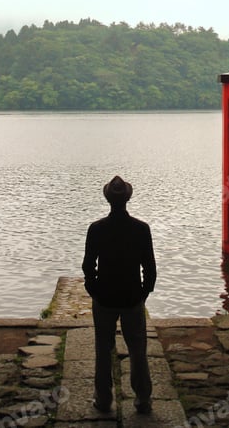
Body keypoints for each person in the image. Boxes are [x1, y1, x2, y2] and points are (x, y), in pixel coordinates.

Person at [82, 175, 157, 414]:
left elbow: (88, 265)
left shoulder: (96, 229)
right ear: (127, 199)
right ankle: (142, 399)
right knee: (138, 350)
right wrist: (144, 291)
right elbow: (150, 268)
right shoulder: (141, 229)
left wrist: (93, 288)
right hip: (132, 296)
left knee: (103, 349)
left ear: (108, 200)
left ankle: (103, 399)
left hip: (104, 297)